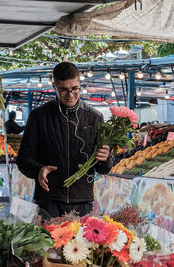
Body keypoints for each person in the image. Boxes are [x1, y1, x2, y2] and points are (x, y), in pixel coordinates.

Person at [16, 62, 111, 218]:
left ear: (80, 84)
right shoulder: (39, 116)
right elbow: (23, 159)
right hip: (48, 201)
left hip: (82, 201)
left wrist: (105, 158)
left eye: (75, 88)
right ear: (54, 86)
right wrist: (39, 170)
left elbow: (104, 168)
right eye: (64, 90)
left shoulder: (95, 117)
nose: (70, 94)